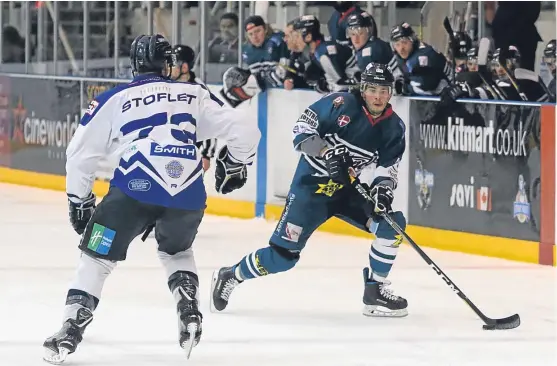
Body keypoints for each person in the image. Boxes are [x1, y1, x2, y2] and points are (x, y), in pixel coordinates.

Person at [42, 34, 260, 364]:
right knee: (178, 251)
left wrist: (79, 198)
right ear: (167, 64)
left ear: (133, 64)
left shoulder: (114, 97)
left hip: (135, 187)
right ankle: (189, 311)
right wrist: (236, 162)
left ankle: (71, 329)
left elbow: (79, 155)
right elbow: (246, 129)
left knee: (96, 258)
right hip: (188, 190)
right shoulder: (195, 93)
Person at [210, 63, 409, 318]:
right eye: (372, 89)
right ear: (363, 88)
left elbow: (388, 167)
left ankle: (374, 291)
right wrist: (327, 152)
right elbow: (301, 129)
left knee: (391, 224)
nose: (378, 96)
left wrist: (383, 191)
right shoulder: (340, 103)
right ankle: (231, 275)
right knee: (282, 257)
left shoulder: (394, 127)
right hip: (310, 188)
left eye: (384, 90)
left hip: (347, 191)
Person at [219, 15, 288, 107]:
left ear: (265, 29)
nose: (255, 37)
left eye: (257, 31)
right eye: (250, 34)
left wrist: (256, 82)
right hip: (273, 99)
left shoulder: (277, 42)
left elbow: (282, 75)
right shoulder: (247, 51)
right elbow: (260, 78)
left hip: (287, 96)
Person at [171, 44, 217, 171]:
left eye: (173, 64)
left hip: (191, 153)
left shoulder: (199, 90)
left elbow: (211, 122)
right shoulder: (166, 85)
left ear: (184, 67)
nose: (169, 68)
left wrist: (206, 155)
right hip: (167, 150)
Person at [290, 15, 359, 94]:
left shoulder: (323, 53)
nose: (294, 41)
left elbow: (341, 86)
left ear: (308, 37)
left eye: (297, 36)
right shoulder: (317, 51)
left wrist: (325, 86)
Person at [387, 22, 453, 96]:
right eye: (397, 44)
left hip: (448, 98)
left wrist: (404, 87)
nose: (401, 49)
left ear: (412, 40)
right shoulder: (400, 57)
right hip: (430, 102)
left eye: (404, 42)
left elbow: (426, 87)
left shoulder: (425, 54)